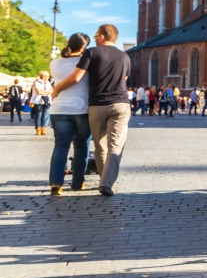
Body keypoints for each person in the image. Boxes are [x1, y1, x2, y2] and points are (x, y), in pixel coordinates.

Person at [51, 24, 132, 197]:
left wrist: (56, 89)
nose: (94, 39)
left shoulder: (92, 52)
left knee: (100, 145)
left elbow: (77, 76)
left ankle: (98, 180)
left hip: (97, 104)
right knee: (115, 146)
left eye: (96, 36)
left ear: (102, 37)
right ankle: (105, 183)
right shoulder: (125, 56)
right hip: (120, 104)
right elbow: (124, 79)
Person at [48, 33, 92, 195]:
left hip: (59, 110)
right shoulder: (86, 64)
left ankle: (56, 183)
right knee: (81, 146)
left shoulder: (54, 63)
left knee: (61, 146)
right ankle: (77, 183)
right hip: (81, 110)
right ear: (83, 47)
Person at [29, 71, 53, 136]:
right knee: (38, 115)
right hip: (38, 101)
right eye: (47, 76)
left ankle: (43, 128)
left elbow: (51, 91)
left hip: (47, 100)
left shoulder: (48, 83)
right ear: (43, 76)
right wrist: (46, 92)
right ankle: (38, 129)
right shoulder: (36, 83)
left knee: (45, 115)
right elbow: (38, 92)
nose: (48, 77)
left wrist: (44, 92)